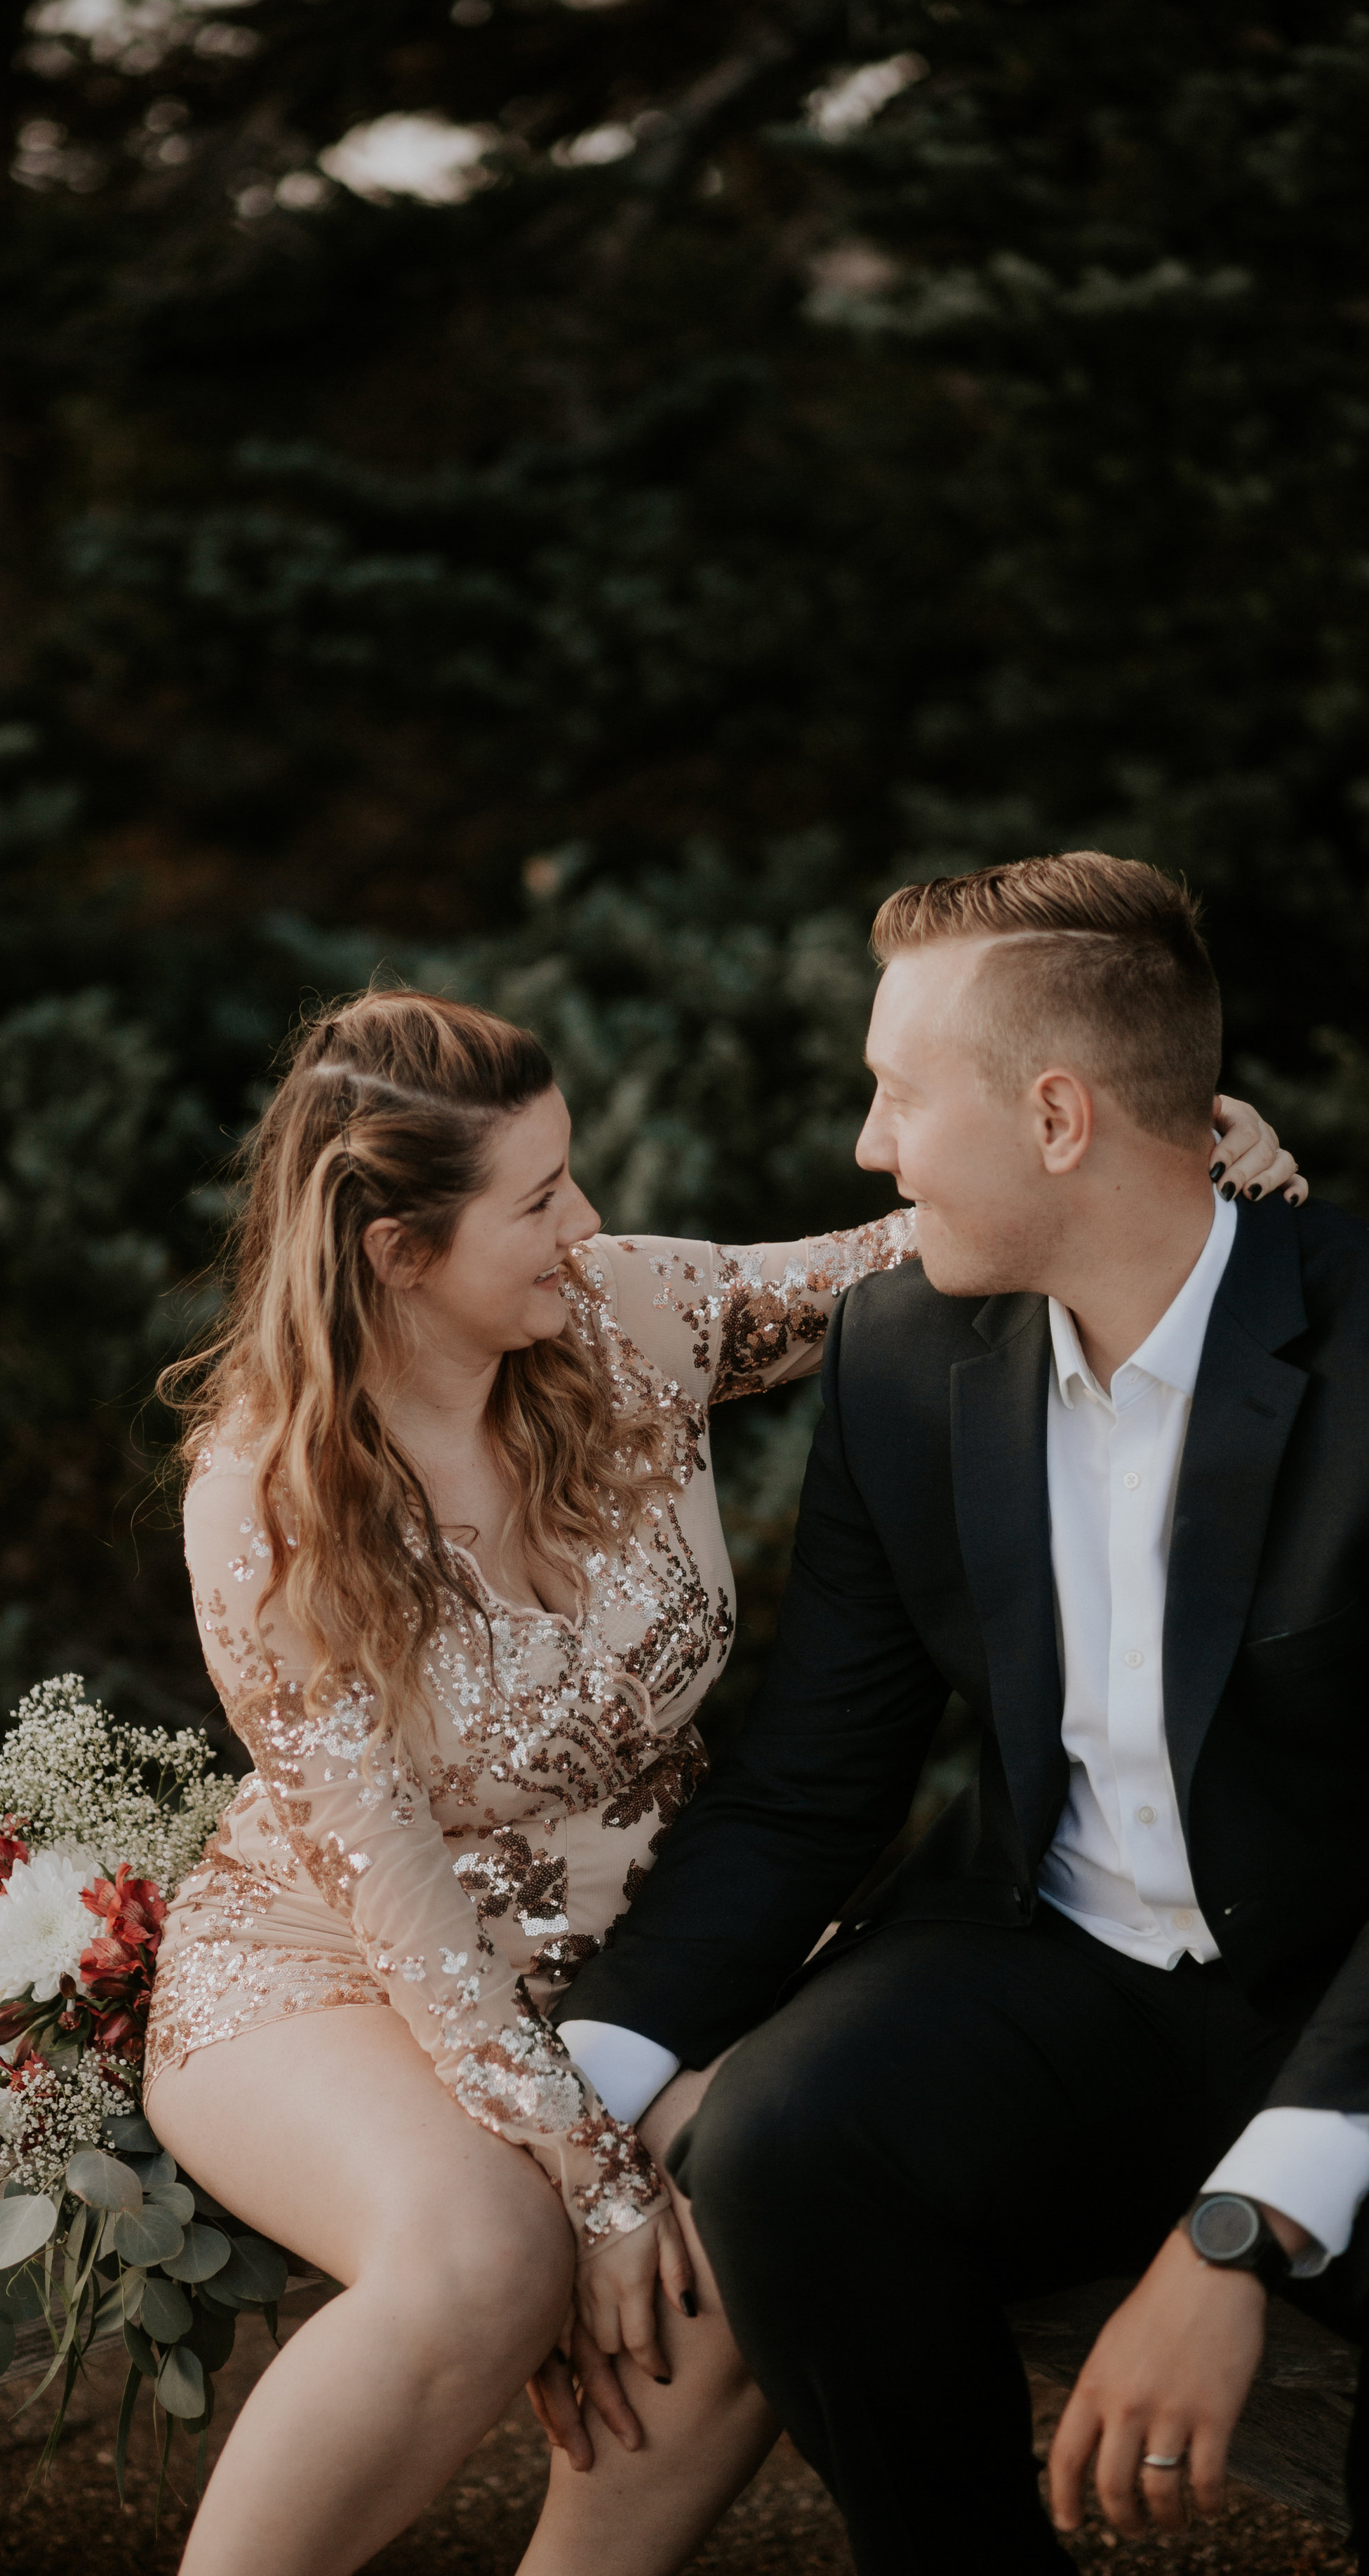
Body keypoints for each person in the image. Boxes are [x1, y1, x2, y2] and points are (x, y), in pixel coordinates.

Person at [140, 977, 1297, 2576]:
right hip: (344, 1974)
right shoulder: (268, 1505)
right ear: (399, 1255)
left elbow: (906, 1253)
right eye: (538, 1199)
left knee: (746, 2222)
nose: (585, 1220)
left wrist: (1169, 1158)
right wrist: (590, 2182)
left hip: (651, 1949)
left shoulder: (626, 1314)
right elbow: (400, 1910)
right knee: (485, 2257)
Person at [552, 850, 1366, 2573]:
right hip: (1058, 1973)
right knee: (778, 2139)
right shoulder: (903, 1359)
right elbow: (807, 1784)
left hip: (1345, 2005)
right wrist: (561, 2108)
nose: (868, 1148)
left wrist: (1240, 2230)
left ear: (1056, 1116)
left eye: (897, 1094)